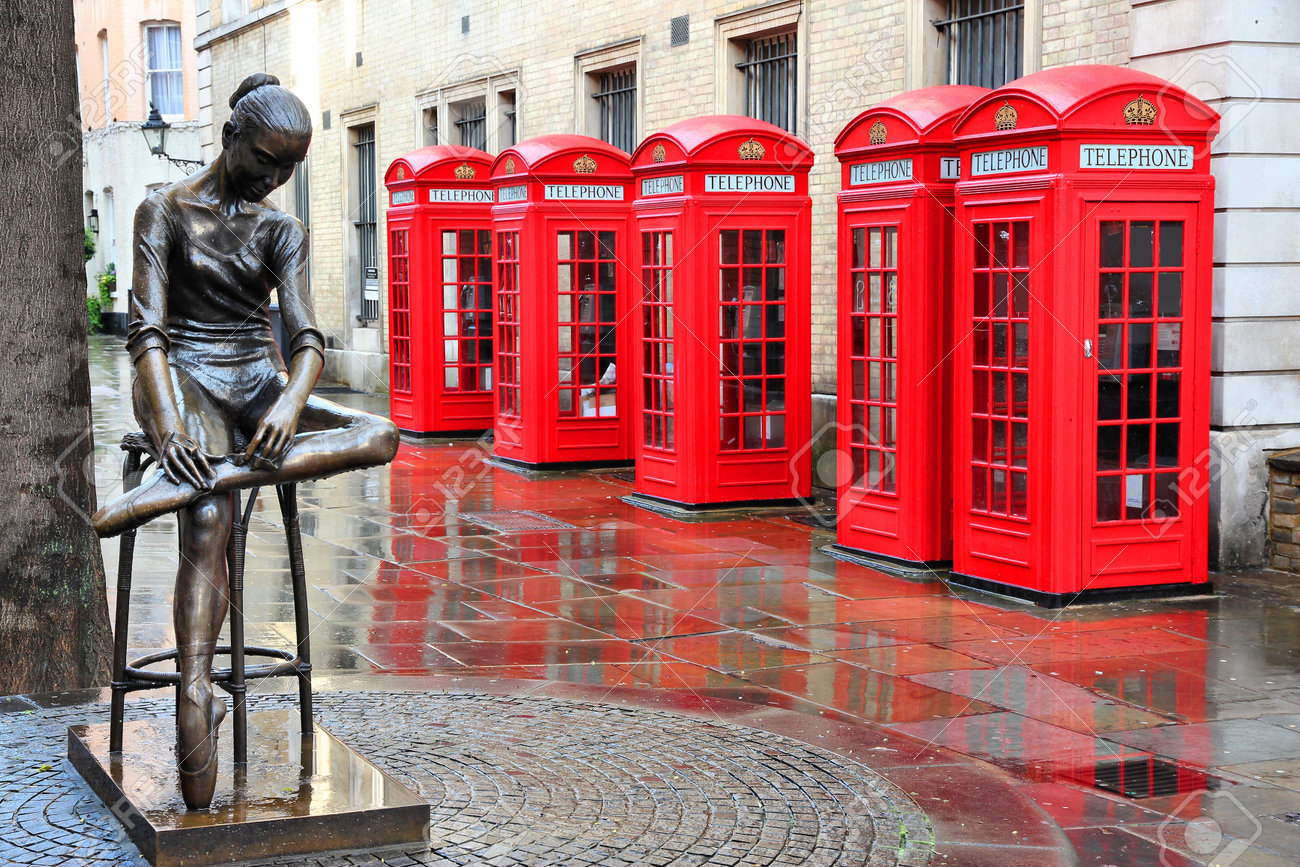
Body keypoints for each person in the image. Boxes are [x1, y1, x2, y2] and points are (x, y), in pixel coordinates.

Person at [91, 73, 398, 809]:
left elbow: (308, 340)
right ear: (230, 139)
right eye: (265, 160)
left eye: (288, 167)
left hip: (256, 378)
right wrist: (167, 428)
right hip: (181, 374)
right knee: (205, 520)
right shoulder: (160, 212)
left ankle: (221, 475)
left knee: (378, 431)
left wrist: (291, 403)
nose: (273, 178)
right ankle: (196, 683)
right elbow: (147, 334)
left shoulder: (280, 230)